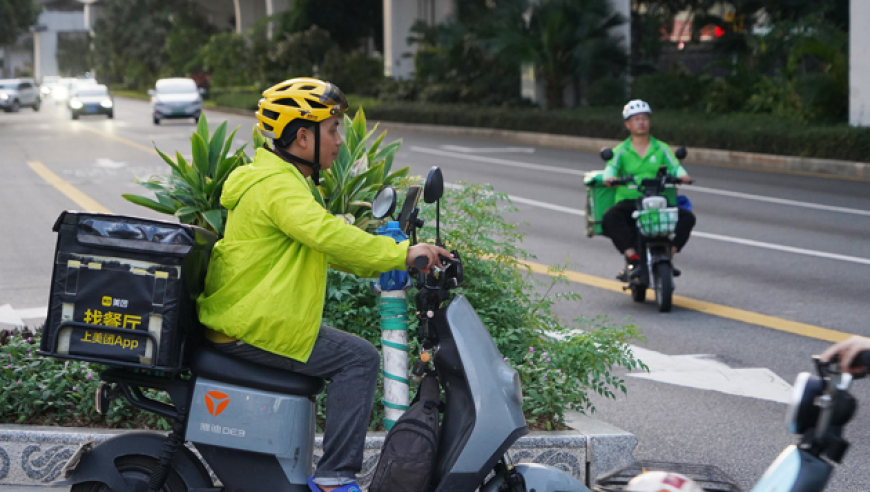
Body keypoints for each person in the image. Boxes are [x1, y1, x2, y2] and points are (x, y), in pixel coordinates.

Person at [197, 77, 451, 492]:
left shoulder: (281, 180)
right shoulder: (278, 187)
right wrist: (402, 254)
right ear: (302, 138)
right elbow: (328, 235)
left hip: (249, 318)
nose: (339, 141)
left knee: (353, 355)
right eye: (333, 130)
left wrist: (392, 257)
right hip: (250, 325)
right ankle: (335, 478)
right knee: (359, 359)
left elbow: (325, 246)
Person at [601, 99, 696, 280]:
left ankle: (668, 255)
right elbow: (610, 168)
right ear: (627, 124)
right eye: (636, 119)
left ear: (649, 122)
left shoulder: (661, 148)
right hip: (630, 200)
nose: (641, 122)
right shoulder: (621, 150)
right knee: (609, 218)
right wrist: (610, 178)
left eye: (644, 118)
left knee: (687, 218)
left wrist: (682, 175)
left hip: (655, 200)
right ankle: (633, 257)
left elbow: (675, 166)